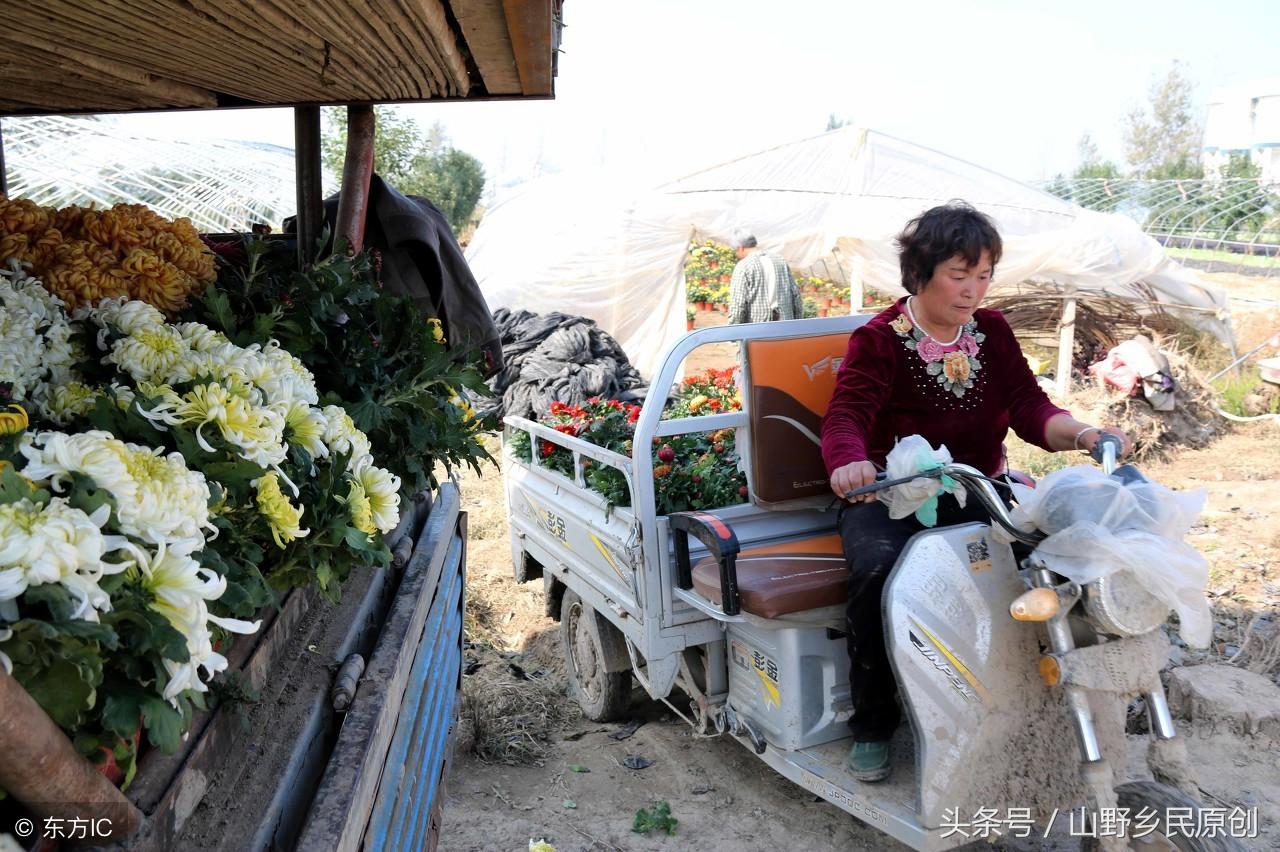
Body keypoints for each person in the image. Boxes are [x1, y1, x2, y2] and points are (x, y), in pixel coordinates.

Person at [819, 202, 1133, 783]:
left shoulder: (992, 332)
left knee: (1050, 567)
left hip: (980, 491)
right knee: (876, 573)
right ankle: (873, 722)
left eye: (983, 275)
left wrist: (1085, 433)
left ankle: (1038, 700)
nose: (973, 291)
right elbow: (846, 416)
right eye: (959, 275)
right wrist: (850, 463)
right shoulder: (880, 340)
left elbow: (1031, 409)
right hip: (895, 496)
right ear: (921, 272)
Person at [727, 229, 803, 324]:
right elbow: (796, 295)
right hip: (785, 327)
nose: (736, 255)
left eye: (735, 251)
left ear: (740, 248)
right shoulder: (780, 261)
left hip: (757, 330)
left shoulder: (743, 266)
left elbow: (738, 305)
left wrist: (733, 332)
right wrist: (797, 323)